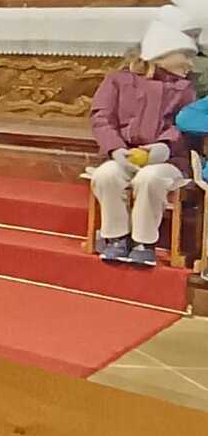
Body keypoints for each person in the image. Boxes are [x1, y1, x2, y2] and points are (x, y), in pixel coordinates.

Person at [86, 21, 197, 266]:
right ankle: (116, 236)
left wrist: (164, 147)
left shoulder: (184, 89)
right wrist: (116, 148)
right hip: (124, 154)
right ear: (162, 54)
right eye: (186, 55)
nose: (191, 63)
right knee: (106, 175)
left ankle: (144, 241)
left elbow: (185, 126)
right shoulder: (118, 81)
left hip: (168, 160)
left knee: (150, 178)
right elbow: (101, 117)